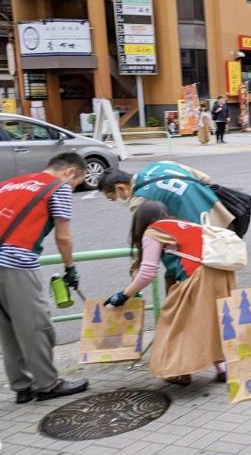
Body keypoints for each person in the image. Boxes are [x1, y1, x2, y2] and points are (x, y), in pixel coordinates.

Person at [104, 201, 232, 384]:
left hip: (197, 277)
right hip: (220, 274)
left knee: (175, 324)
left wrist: (124, 294)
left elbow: (147, 273)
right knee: (212, 322)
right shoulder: (182, 224)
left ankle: (180, 371)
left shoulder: (154, 231)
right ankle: (223, 367)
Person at [0, 153, 89, 403]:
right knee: (36, 326)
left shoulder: (10, 183)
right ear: (70, 172)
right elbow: (63, 236)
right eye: (76, 183)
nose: (73, 189)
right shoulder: (58, 188)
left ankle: (22, 387)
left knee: (7, 329)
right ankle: (47, 384)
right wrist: (70, 268)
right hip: (15, 263)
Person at [98, 161, 233, 229]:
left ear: (120, 188)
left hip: (203, 233)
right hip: (221, 215)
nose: (119, 200)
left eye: (113, 198)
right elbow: (205, 178)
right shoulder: (160, 164)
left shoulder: (139, 200)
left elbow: (147, 235)